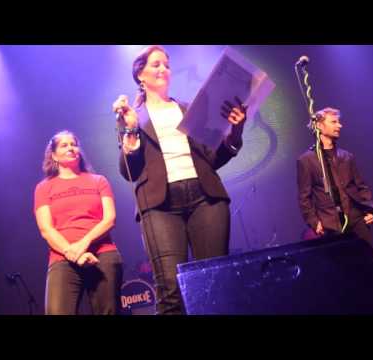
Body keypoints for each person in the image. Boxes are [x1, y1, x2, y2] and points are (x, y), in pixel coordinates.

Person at [112, 45, 247, 315]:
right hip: (160, 206)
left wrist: (235, 132)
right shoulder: (132, 116)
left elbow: (214, 158)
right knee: (170, 289)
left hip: (205, 199)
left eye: (167, 64)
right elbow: (130, 170)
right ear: (140, 75)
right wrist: (130, 130)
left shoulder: (190, 109)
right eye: (156, 64)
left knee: (212, 283)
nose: (163, 69)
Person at [34, 130, 123, 315]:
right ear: (53, 155)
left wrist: (83, 244)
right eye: (64, 145)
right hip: (62, 257)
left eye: (73, 144)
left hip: (103, 254)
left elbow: (109, 219)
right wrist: (73, 252)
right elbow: (46, 229)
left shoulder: (99, 181)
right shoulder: (43, 188)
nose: (71, 148)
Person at [297, 107, 373, 242]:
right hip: (330, 224)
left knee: (369, 259)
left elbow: (361, 186)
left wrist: (370, 209)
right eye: (334, 122)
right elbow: (304, 197)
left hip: (357, 220)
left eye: (338, 122)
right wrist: (314, 221)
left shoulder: (347, 156)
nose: (339, 125)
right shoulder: (306, 160)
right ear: (319, 126)